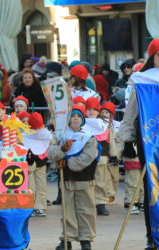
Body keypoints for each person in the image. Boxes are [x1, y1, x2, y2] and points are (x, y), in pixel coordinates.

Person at [122, 38, 159, 250]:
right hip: (148, 140)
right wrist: (127, 140)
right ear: (152, 56)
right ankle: (152, 236)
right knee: (152, 188)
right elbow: (131, 111)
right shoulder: (141, 80)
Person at [48, 105, 99, 250]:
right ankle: (67, 238)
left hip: (84, 178)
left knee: (86, 209)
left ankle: (86, 239)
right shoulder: (61, 136)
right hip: (66, 179)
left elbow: (87, 157)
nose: (75, 118)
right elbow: (51, 154)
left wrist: (68, 162)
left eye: (78, 116)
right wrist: (62, 149)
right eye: (73, 116)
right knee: (67, 210)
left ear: (82, 120)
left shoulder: (89, 137)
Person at [84, 97, 110, 216]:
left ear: (98, 111)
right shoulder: (82, 122)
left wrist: (113, 154)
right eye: (89, 109)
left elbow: (111, 140)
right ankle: (88, 202)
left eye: (94, 109)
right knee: (88, 181)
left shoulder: (104, 124)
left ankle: (101, 203)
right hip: (86, 157)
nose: (91, 112)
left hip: (102, 156)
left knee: (101, 180)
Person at [25, 112, 52, 217]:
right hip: (29, 163)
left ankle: (40, 206)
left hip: (41, 162)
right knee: (29, 185)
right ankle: (30, 206)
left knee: (41, 185)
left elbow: (51, 142)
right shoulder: (26, 134)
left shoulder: (46, 134)